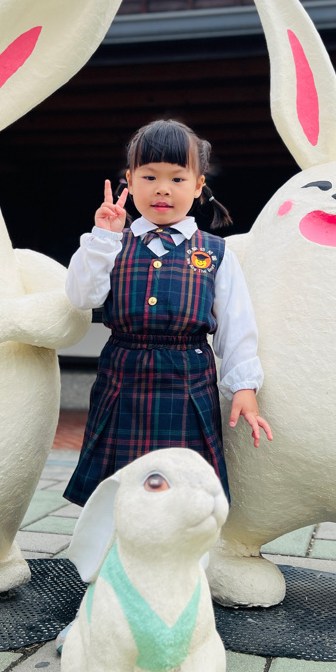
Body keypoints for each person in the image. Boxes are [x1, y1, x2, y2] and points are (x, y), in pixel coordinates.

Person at [63, 118, 272, 507]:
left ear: (198, 185)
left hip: (188, 382)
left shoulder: (216, 252)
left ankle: (180, 545)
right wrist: (104, 236)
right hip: (121, 380)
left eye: (177, 178)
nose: (162, 188)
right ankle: (117, 543)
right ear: (129, 181)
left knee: (183, 493)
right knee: (117, 491)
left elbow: (236, 324)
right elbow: (82, 297)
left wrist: (244, 386)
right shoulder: (109, 243)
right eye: (149, 176)